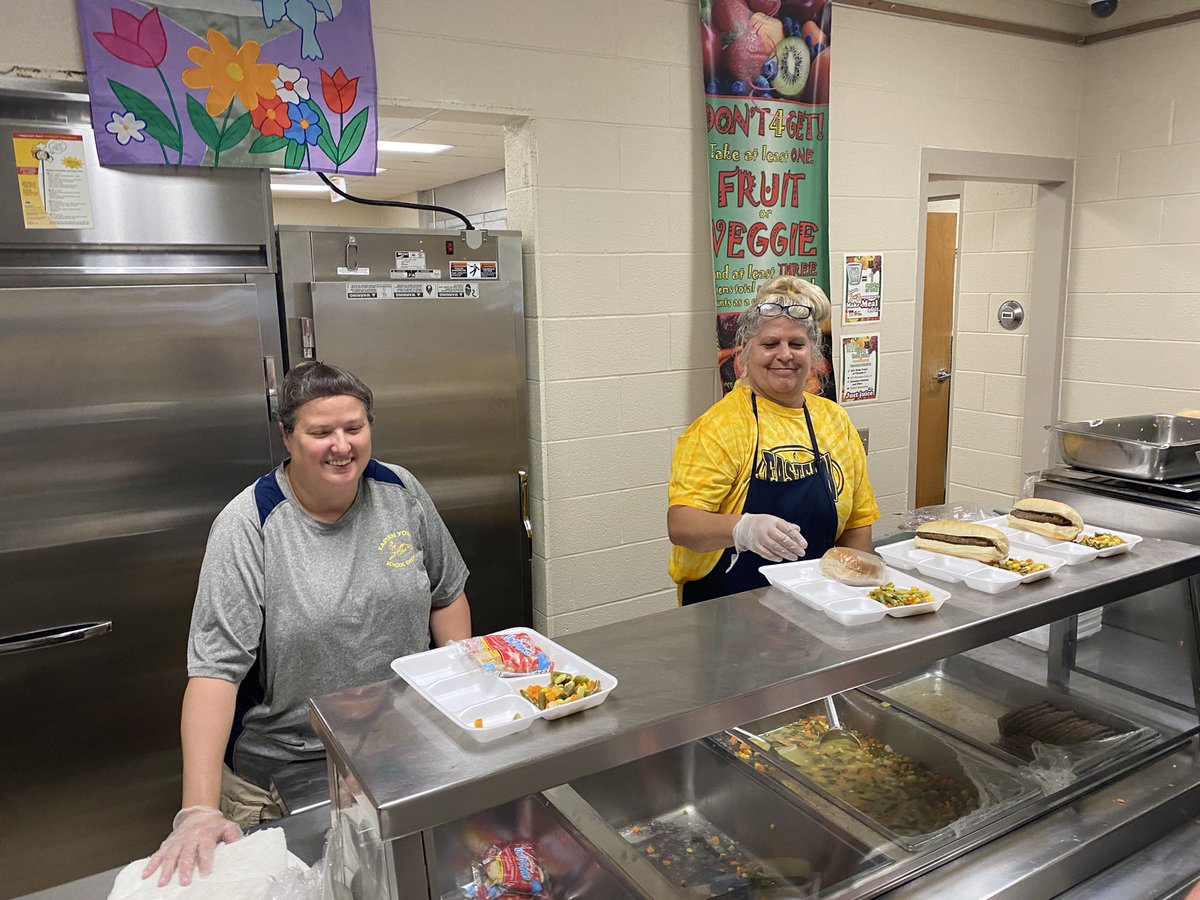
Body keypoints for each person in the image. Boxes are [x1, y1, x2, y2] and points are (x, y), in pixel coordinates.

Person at [142, 361, 471, 886]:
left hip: (400, 748)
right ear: (287, 436)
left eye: (354, 428)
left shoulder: (398, 490)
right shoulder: (249, 526)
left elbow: (446, 594)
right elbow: (215, 674)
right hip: (286, 771)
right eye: (321, 432)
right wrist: (198, 811)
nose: (341, 446)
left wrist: (457, 695)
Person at [668, 276, 880, 604]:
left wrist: (854, 594)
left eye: (797, 344)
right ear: (745, 353)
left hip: (818, 603)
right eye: (770, 344)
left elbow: (858, 522)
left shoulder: (834, 420)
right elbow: (681, 524)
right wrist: (742, 529)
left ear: (813, 353)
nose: (785, 355)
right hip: (728, 610)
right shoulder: (718, 428)